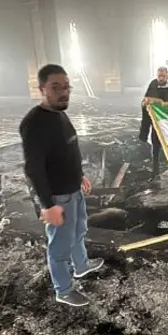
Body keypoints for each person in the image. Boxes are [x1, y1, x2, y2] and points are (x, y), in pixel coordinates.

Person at [19, 64, 104, 307]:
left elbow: (68, 148)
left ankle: (81, 266)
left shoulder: (60, 113)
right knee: (59, 246)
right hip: (57, 197)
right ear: (41, 89)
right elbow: (33, 168)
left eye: (66, 87)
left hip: (73, 190)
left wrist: (79, 175)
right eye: (56, 87)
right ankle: (63, 290)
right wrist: (48, 205)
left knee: (78, 231)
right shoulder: (34, 123)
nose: (63, 92)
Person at [139, 66, 168, 183]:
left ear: (167, 75)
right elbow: (146, 99)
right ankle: (155, 174)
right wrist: (144, 103)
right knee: (155, 149)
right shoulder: (153, 85)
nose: (161, 78)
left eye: (163, 76)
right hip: (157, 124)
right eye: (159, 76)